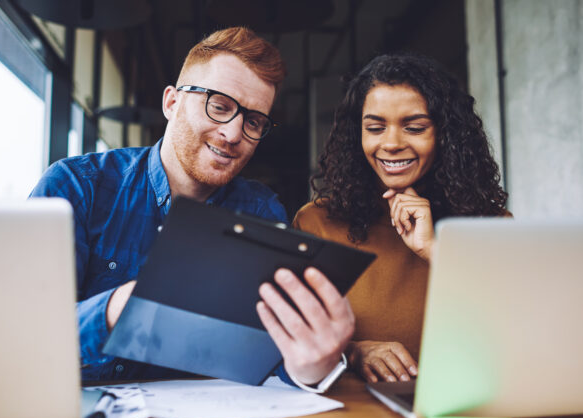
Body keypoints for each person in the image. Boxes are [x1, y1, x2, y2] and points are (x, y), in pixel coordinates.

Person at [31, 27, 353, 390]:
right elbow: (22, 332)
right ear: (171, 102)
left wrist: (308, 369)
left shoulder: (262, 211)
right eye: (219, 107)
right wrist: (116, 307)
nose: (233, 134)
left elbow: (271, 356)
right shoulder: (76, 186)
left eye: (253, 122)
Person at [293, 52, 508, 384]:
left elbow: (517, 330)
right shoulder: (317, 222)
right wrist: (352, 352)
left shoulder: (490, 225)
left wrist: (434, 251)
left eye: (415, 127)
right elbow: (291, 341)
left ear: (446, 135)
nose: (391, 143)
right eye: (375, 128)